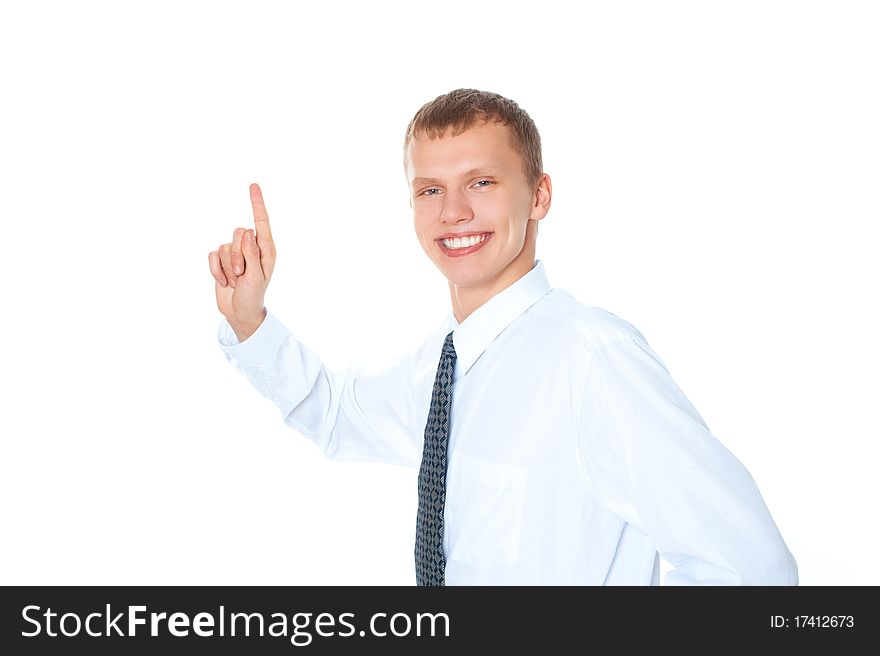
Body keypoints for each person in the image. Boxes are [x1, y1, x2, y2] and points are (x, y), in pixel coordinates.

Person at [207, 88, 798, 586]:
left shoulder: (592, 359)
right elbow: (333, 414)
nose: (454, 212)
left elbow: (752, 570)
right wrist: (249, 320)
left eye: (482, 182)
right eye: (430, 190)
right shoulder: (442, 363)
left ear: (538, 195)